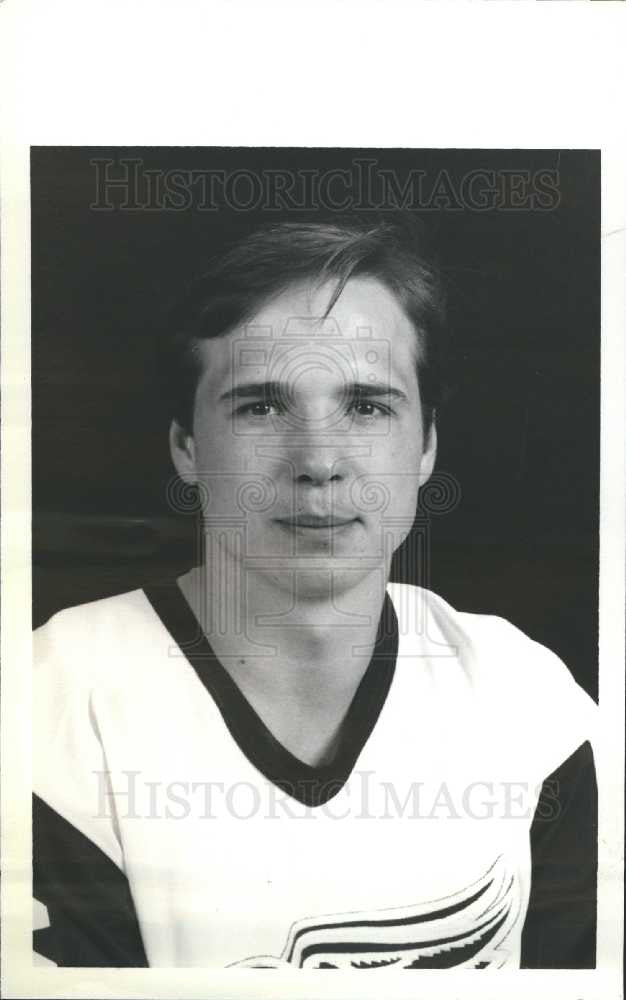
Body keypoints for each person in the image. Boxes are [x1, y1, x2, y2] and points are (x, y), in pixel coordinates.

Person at [32, 217, 597, 969]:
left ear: (425, 444)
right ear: (187, 446)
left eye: (367, 406)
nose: (319, 461)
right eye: (262, 407)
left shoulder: (527, 697)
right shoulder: (53, 701)